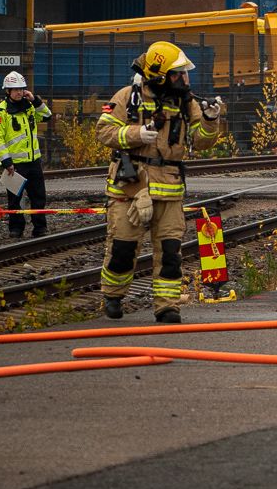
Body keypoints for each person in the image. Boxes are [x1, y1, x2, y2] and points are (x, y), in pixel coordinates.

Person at [96, 42, 226, 322]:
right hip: (129, 189)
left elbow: (202, 142)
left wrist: (211, 119)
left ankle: (167, 306)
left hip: (169, 190)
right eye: (178, 73)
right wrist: (136, 134)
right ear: (160, 75)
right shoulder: (126, 97)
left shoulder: (185, 102)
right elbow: (103, 130)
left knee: (169, 253)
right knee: (122, 248)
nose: (185, 79)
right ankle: (113, 295)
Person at [0, 71, 53, 237]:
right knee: (14, 200)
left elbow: (47, 115)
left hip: (33, 162)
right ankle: (16, 228)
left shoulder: (29, 106)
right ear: (7, 91)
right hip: (15, 165)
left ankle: (40, 227)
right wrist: (7, 161)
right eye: (15, 89)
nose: (19, 92)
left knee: (38, 197)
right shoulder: (0, 112)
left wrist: (35, 100)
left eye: (21, 89)